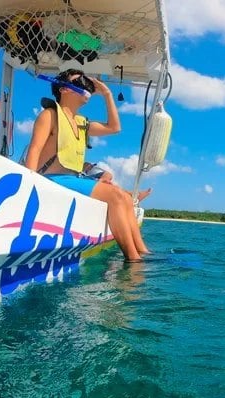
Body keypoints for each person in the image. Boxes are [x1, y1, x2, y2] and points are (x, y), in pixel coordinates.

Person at [24, 69, 150, 262]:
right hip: (52, 179)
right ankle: (133, 260)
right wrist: (29, 187)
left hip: (73, 179)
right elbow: (34, 149)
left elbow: (114, 127)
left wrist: (107, 94)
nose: (85, 86)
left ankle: (143, 251)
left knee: (124, 197)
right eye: (79, 81)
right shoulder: (50, 115)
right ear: (64, 89)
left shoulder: (82, 123)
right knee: (116, 196)